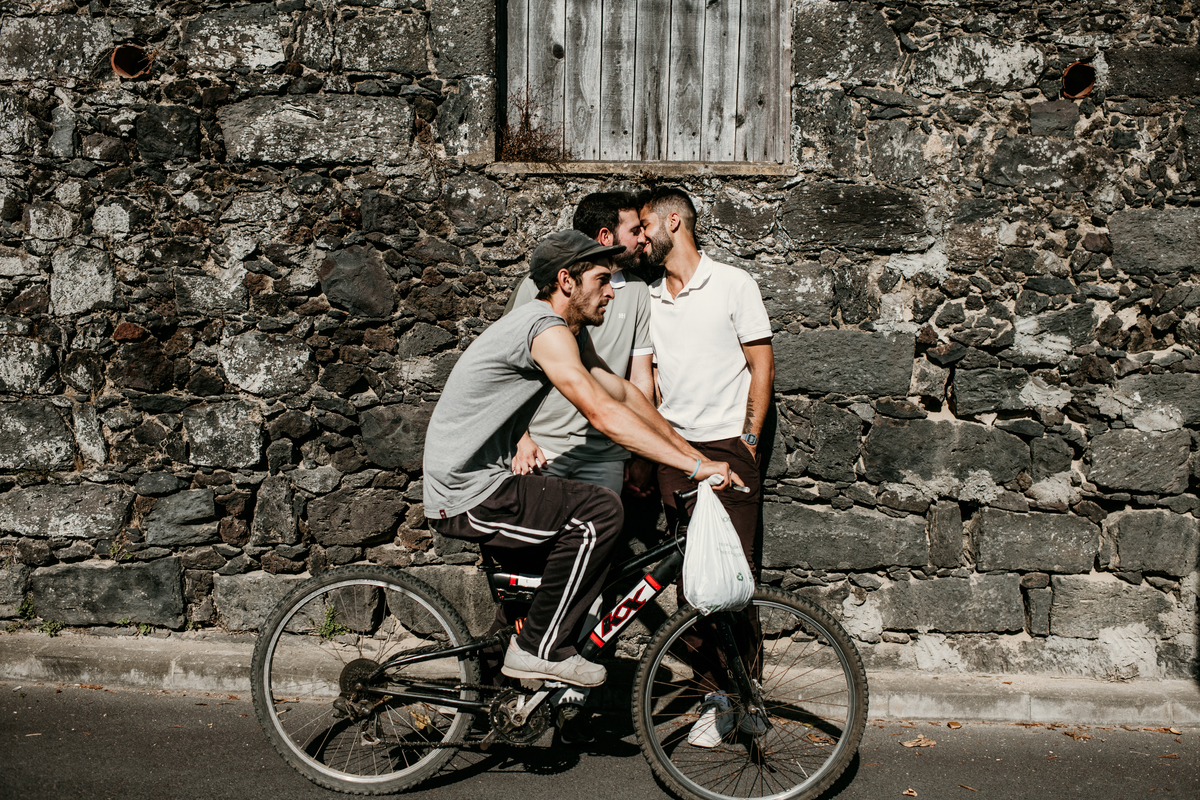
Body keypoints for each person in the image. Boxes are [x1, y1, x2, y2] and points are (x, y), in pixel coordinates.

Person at [422, 228, 740, 692]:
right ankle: (538, 650)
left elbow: (625, 393)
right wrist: (693, 469)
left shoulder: (566, 330)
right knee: (599, 511)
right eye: (601, 280)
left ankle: (511, 679)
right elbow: (601, 412)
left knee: (555, 570)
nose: (612, 291)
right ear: (567, 281)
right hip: (467, 491)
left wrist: (693, 456)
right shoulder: (544, 330)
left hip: (483, 479)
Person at [639, 187, 775, 748]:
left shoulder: (734, 283)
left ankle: (746, 694)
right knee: (692, 583)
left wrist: (746, 440)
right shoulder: (646, 297)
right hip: (674, 452)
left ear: (676, 220)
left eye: (646, 226)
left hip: (729, 446)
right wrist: (656, 446)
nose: (641, 237)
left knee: (735, 580)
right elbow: (642, 384)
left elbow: (761, 365)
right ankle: (711, 697)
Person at [503, 191, 653, 492]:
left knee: (600, 535)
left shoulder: (638, 292)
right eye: (634, 230)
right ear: (606, 236)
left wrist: (642, 454)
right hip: (541, 448)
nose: (643, 239)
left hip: (604, 456)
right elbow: (510, 365)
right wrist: (520, 439)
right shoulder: (540, 285)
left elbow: (640, 380)